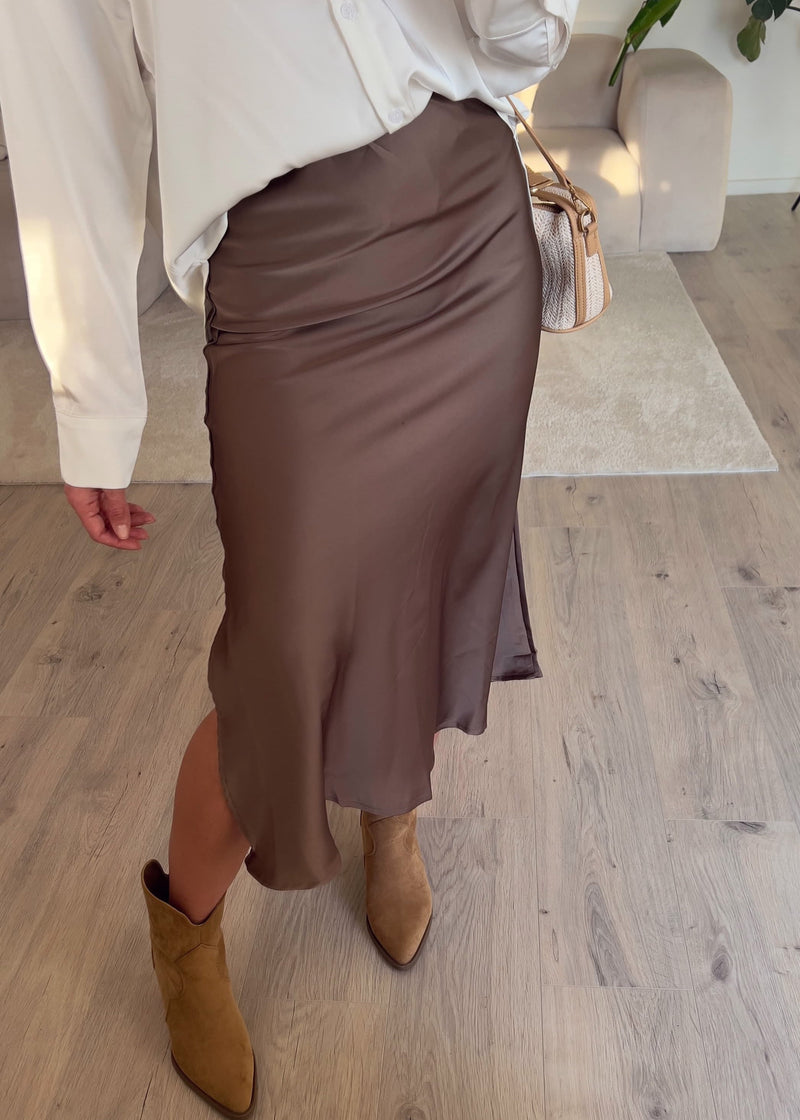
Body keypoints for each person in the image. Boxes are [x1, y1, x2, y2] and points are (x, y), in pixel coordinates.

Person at [0, 1, 578, 1115]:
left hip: (470, 223)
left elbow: (527, 36)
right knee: (282, 660)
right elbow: (72, 123)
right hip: (285, 272)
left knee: (424, 577)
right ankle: (186, 939)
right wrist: (93, 407)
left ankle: (390, 810)